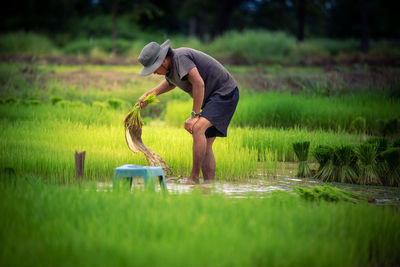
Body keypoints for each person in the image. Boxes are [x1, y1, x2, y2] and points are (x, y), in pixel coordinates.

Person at [137, 40, 239, 184]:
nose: (154, 72)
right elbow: (171, 82)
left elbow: (198, 83)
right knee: (206, 143)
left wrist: (195, 116)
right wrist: (151, 94)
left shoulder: (180, 57)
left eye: (154, 68)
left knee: (197, 128)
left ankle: (194, 178)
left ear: (163, 61)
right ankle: (208, 186)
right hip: (212, 98)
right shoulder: (171, 68)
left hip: (224, 93)